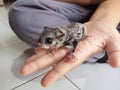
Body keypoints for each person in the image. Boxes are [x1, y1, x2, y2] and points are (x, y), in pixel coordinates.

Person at [9, 0, 120, 87]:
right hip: (78, 10)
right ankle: (105, 44)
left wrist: (103, 21)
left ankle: (103, 47)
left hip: (111, 9)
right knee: (20, 9)